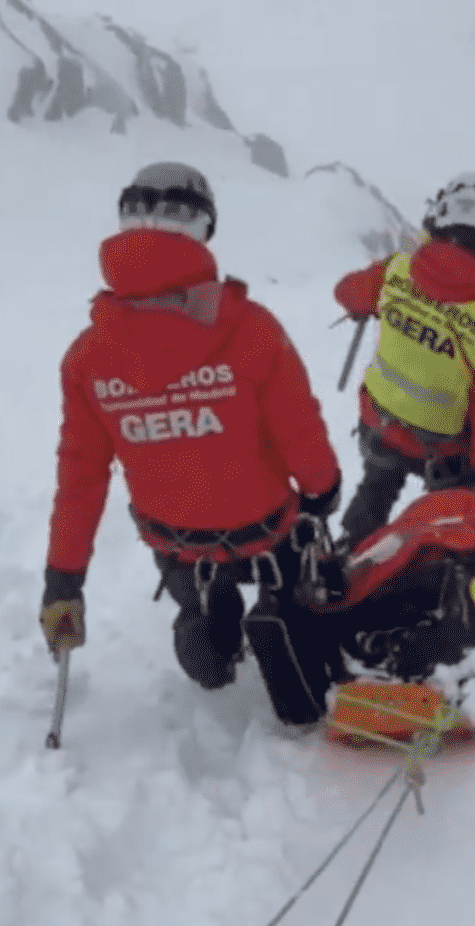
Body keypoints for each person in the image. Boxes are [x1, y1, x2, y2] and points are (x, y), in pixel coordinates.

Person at [43, 162, 347, 726]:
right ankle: (281, 617)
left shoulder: (88, 357)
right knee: (298, 600)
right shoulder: (251, 329)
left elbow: (81, 476)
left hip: (175, 542)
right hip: (269, 530)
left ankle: (212, 639)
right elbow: (298, 427)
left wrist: (64, 580)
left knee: (204, 631)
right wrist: (323, 490)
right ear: (203, 229)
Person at [329, 173, 475, 544]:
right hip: (443, 451)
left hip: (380, 425)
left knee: (376, 488)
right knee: (446, 524)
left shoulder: (395, 271)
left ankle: (351, 549)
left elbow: (346, 292)